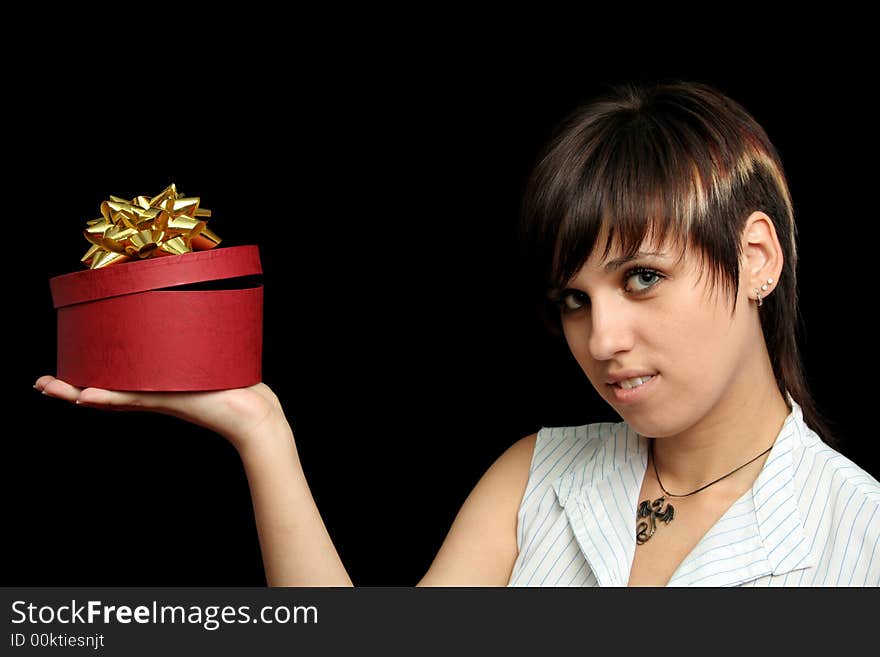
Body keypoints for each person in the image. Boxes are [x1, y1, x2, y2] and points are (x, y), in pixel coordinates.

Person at [36, 79, 879, 587]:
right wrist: (262, 429)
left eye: (642, 277)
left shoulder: (858, 533)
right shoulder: (536, 473)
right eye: (573, 300)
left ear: (757, 256)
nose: (603, 338)